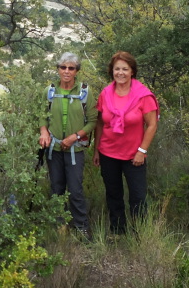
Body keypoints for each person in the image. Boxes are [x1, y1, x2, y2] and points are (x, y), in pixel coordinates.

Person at [93, 51, 159, 235]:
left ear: (132, 71)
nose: (120, 73)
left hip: (134, 155)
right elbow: (100, 121)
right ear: (111, 71)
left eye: (124, 69)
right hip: (108, 152)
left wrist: (142, 150)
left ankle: (141, 235)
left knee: (138, 197)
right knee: (113, 195)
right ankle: (117, 231)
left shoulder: (143, 95)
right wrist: (97, 149)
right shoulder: (105, 93)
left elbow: (152, 124)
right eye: (117, 69)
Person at [39, 52, 97, 235]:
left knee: (75, 189)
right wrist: (43, 132)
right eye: (63, 67)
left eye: (71, 68)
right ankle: (59, 226)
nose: (66, 71)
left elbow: (93, 120)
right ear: (58, 69)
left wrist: (75, 137)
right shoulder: (49, 91)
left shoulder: (85, 92)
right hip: (53, 148)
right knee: (56, 187)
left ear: (77, 71)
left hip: (75, 149)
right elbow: (42, 115)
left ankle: (81, 227)